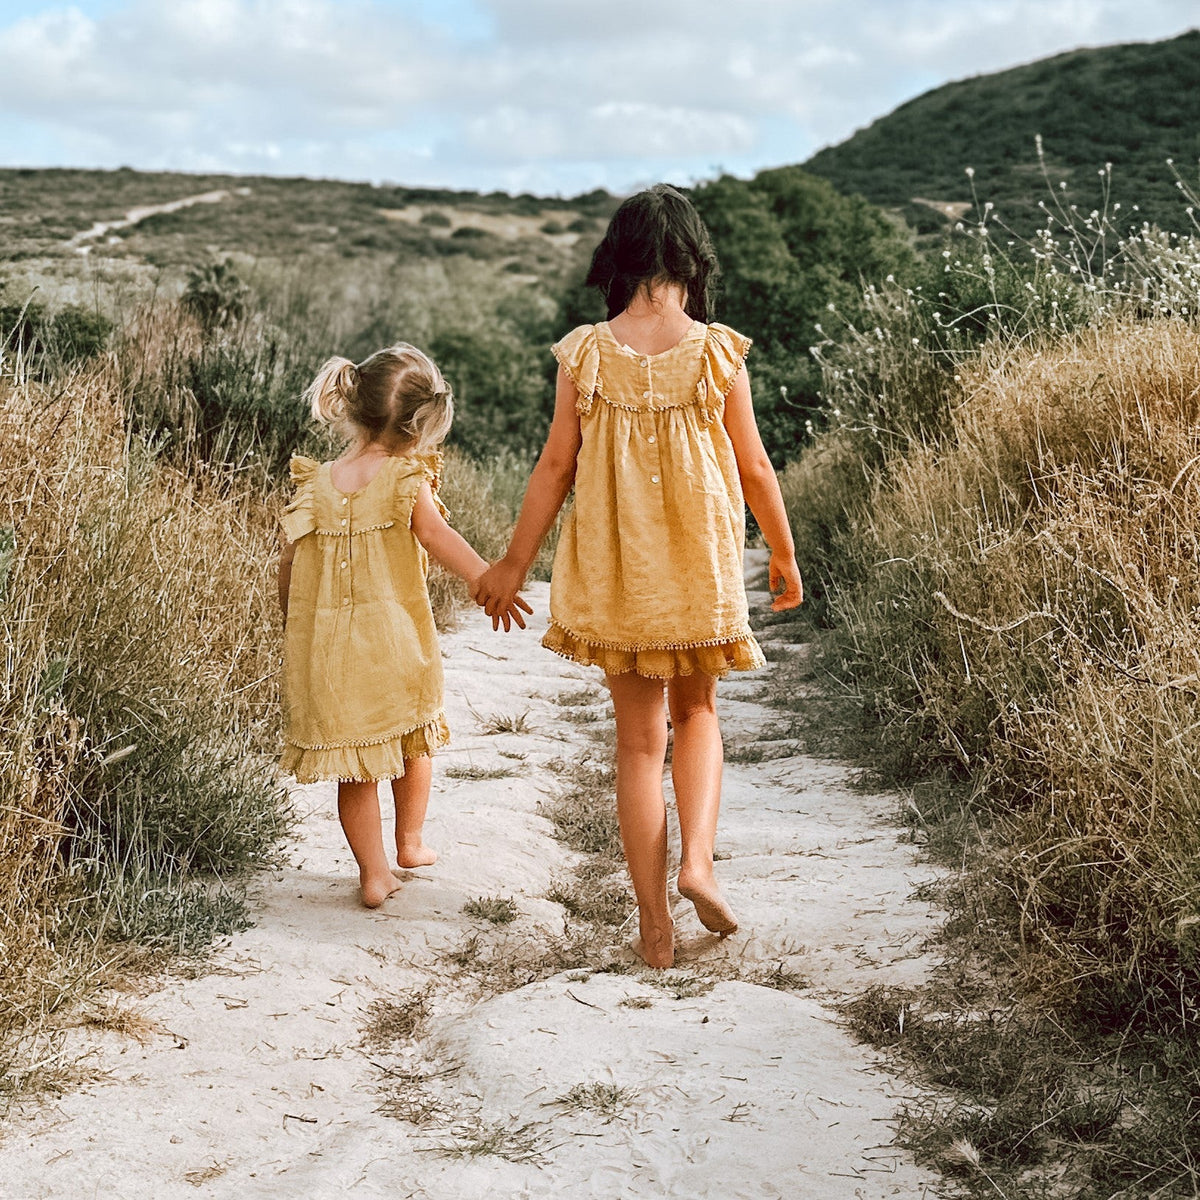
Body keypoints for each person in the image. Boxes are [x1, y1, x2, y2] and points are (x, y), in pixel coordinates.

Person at [474, 184, 803, 968]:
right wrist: (784, 554)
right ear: (693, 260)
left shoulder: (584, 352)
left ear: (616, 260)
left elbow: (555, 466)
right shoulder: (719, 351)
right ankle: (699, 864)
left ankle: (654, 929)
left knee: (633, 745)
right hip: (699, 566)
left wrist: (512, 565)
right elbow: (755, 465)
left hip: (619, 572)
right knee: (697, 716)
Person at [278, 344, 530, 908]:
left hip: (329, 647)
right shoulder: (405, 480)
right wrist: (487, 579)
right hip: (395, 638)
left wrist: (292, 623)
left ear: (354, 408)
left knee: (356, 764)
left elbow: (289, 566)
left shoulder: (315, 484)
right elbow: (441, 539)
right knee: (415, 735)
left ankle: (373, 875)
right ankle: (410, 844)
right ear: (420, 426)